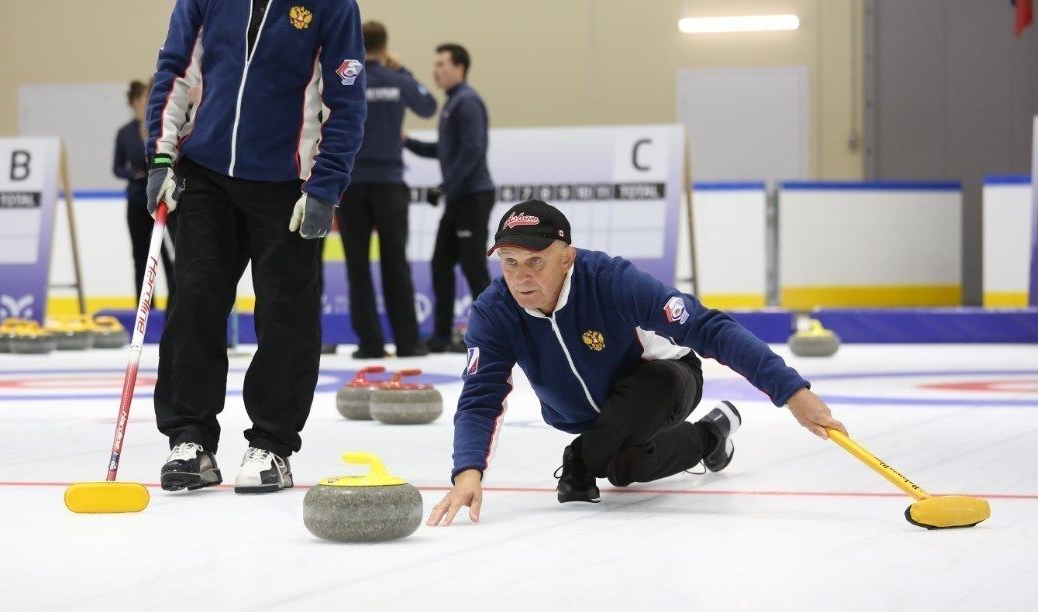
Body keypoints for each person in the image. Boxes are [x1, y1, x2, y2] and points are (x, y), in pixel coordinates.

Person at [427, 200, 848, 525]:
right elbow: (481, 397)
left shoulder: (611, 281)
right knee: (624, 469)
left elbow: (709, 327)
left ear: (567, 257)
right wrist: (467, 471)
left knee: (646, 392)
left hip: (668, 381)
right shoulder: (494, 312)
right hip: (592, 419)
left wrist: (792, 392)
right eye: (510, 263)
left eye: (535, 262)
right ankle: (710, 436)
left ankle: (581, 457)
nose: (521, 278)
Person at [145, 0, 366, 494]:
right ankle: (189, 437)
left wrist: (325, 186)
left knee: (286, 311)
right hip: (205, 176)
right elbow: (177, 69)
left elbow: (346, 99)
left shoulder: (333, 6)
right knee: (195, 299)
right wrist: (160, 156)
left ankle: (272, 443)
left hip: (289, 183)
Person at [340, 21, 436, 359]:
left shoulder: (347, 79)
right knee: (396, 263)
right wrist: (401, 68)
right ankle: (408, 342)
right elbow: (428, 106)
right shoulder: (399, 79)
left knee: (357, 265)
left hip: (350, 184)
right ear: (385, 46)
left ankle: (370, 344)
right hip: (390, 183)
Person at [404, 43, 494, 353]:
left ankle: (491, 334)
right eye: (435, 64)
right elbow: (443, 150)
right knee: (441, 264)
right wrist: (407, 141)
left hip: (472, 196)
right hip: (459, 196)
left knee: (472, 267)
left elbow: (473, 150)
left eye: (441, 64)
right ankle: (441, 336)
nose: (435, 70)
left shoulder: (467, 102)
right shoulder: (454, 103)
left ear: (460, 68)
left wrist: (445, 186)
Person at [112, 80, 175, 310]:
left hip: (161, 202)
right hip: (137, 201)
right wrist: (134, 173)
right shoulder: (125, 133)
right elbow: (117, 167)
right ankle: (145, 307)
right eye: (144, 99)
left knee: (169, 257)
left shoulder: (162, 127)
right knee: (140, 257)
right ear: (136, 102)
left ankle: (172, 307)